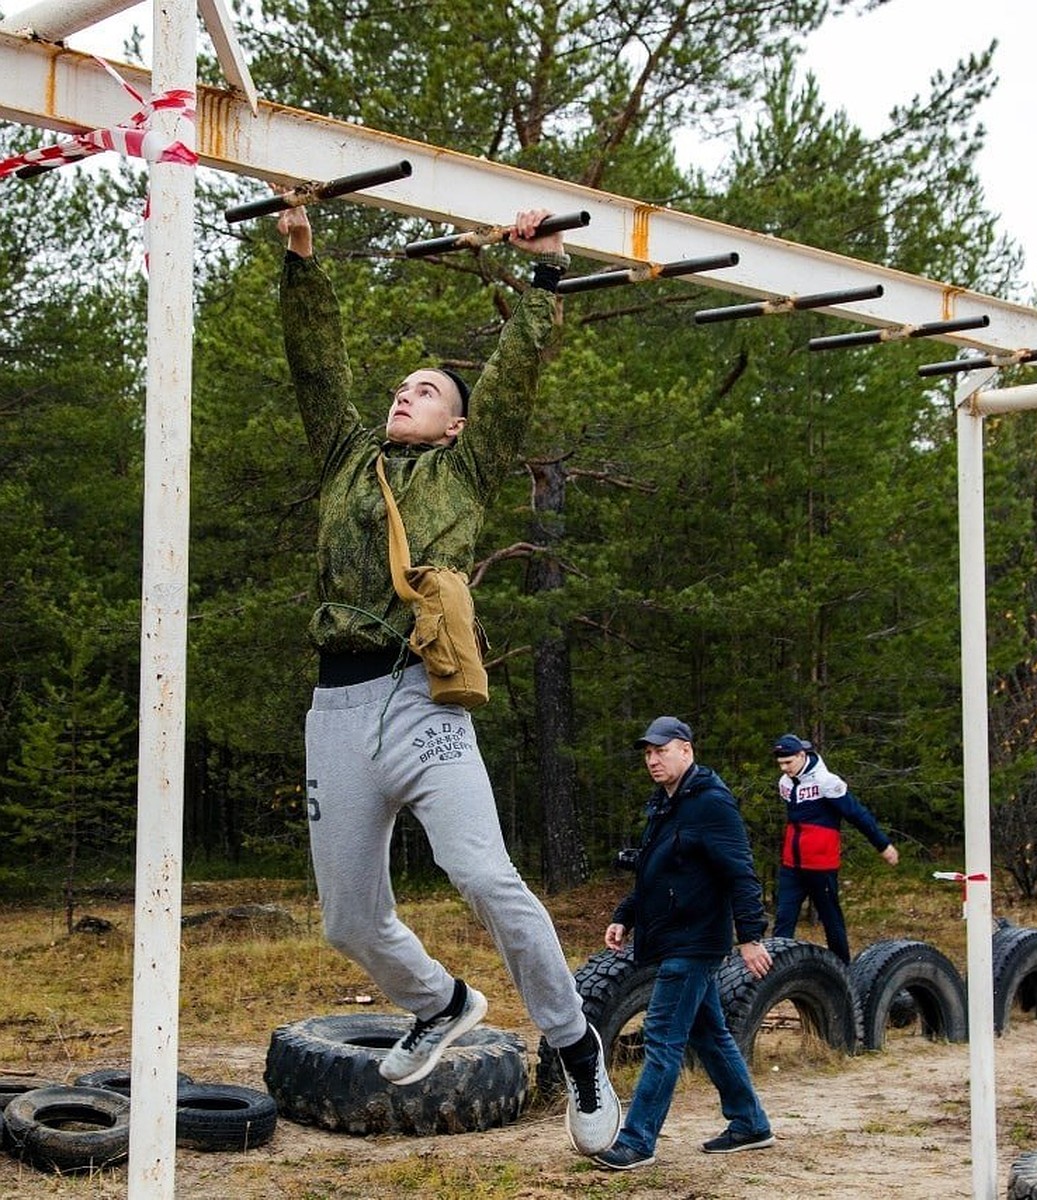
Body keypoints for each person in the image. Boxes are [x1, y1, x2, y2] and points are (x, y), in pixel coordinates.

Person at [274, 203, 619, 1155]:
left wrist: (545, 272)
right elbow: (319, 366)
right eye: (402, 385)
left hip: (419, 699)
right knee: (350, 918)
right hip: (335, 708)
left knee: (482, 874)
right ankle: (443, 1002)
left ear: (458, 422)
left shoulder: (466, 473)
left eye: (425, 390)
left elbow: (515, 376)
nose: (404, 394)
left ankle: (573, 1043)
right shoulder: (347, 460)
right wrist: (303, 259)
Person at [593, 717, 775, 1171]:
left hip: (695, 942)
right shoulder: (664, 804)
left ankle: (637, 1141)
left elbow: (741, 872)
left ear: (686, 752)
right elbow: (655, 872)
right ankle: (751, 1123)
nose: (653, 760)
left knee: (662, 1036)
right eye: (648, 754)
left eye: (661, 751)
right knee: (707, 1032)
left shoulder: (712, 804)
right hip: (672, 935)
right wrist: (625, 915)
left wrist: (750, 936)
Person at [769, 733, 899, 963]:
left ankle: (843, 970)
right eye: (780, 764)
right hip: (792, 864)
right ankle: (772, 976)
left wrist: (882, 845)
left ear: (802, 755)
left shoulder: (826, 781)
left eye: (789, 762)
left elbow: (857, 814)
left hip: (820, 865)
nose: (785, 768)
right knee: (784, 919)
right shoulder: (785, 783)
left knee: (831, 920)